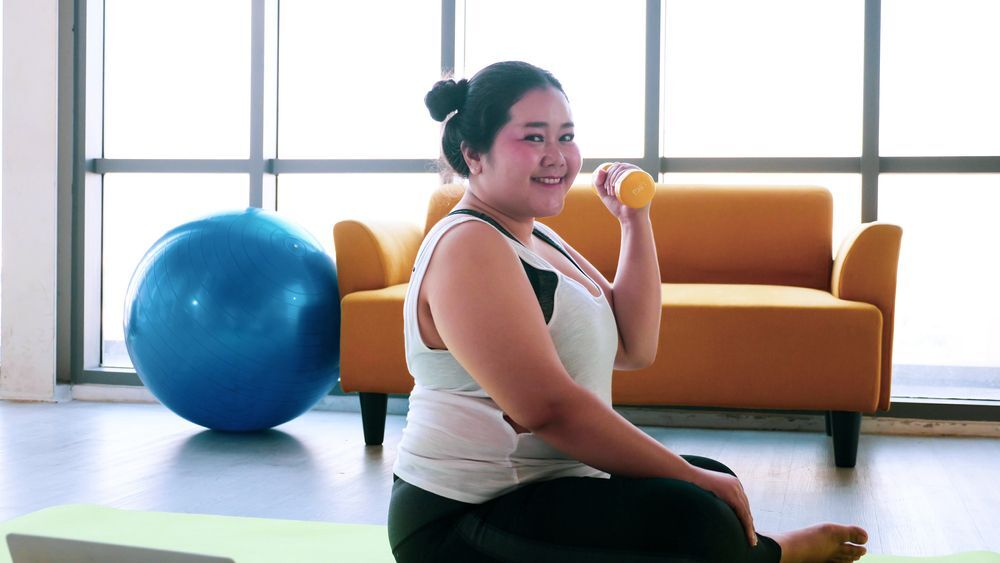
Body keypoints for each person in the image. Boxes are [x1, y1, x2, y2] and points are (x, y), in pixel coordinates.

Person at [387, 60, 869, 563]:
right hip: (462, 518)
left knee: (704, 486)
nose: (557, 156)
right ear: (473, 154)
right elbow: (548, 409)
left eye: (566, 136)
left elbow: (635, 345)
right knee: (696, 512)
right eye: (534, 138)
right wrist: (690, 478)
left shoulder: (537, 236)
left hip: (553, 488)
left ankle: (759, 553)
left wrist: (634, 221)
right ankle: (778, 555)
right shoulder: (470, 245)